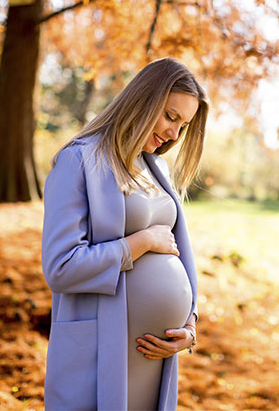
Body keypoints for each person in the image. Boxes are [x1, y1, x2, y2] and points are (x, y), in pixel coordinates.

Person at [41, 58, 209, 410]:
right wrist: (140, 242)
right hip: (102, 352)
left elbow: (181, 252)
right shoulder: (79, 160)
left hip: (155, 358)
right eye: (170, 116)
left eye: (184, 125)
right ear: (143, 100)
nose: (174, 135)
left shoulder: (156, 166)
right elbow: (60, 268)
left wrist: (189, 326)